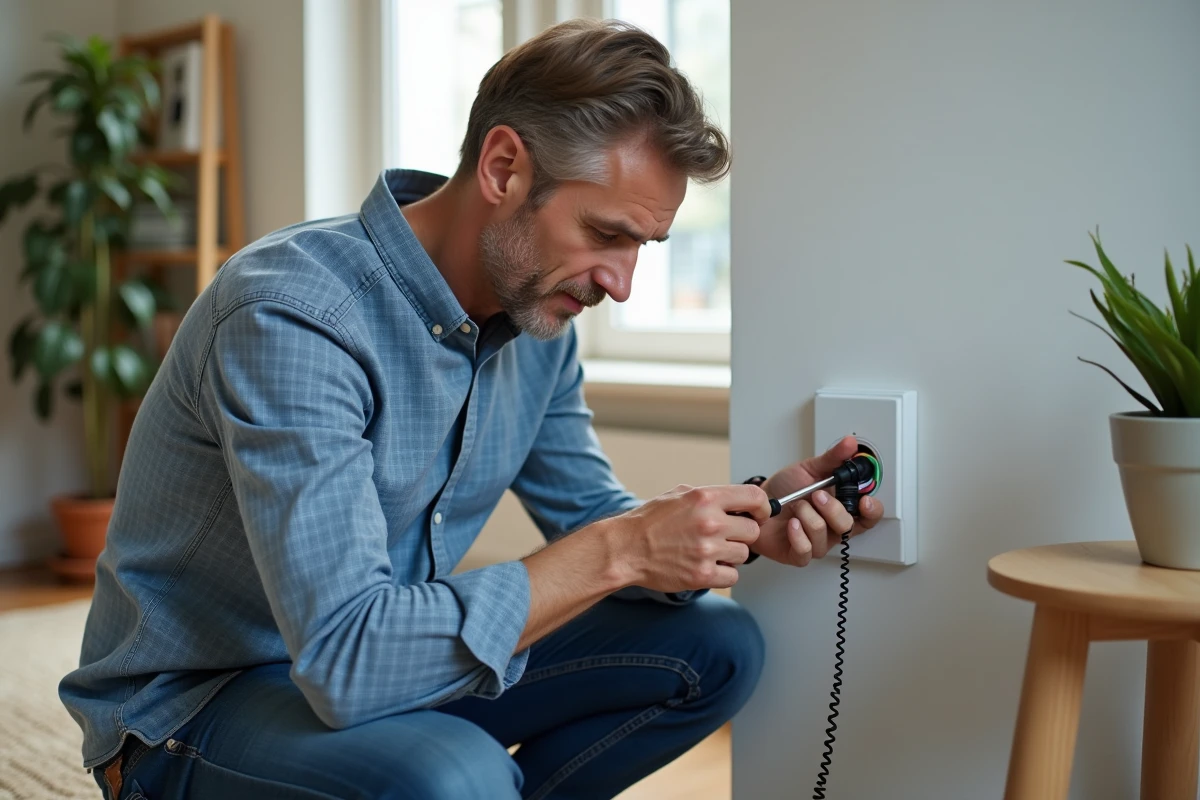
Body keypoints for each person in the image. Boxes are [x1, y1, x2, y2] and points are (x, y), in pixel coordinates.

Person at [61, 18, 883, 800]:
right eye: (606, 234)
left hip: (386, 670)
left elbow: (591, 519)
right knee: (457, 775)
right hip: (196, 706)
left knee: (716, 644)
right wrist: (625, 545)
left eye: (642, 245)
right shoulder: (294, 316)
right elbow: (347, 659)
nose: (622, 283)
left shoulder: (539, 326)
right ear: (503, 169)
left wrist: (745, 523)